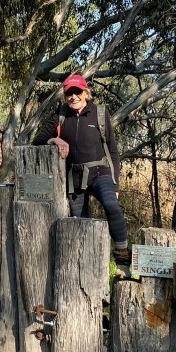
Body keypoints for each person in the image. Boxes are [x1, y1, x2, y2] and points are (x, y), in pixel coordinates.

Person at [33, 74, 130, 265]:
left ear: (86, 93)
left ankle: (122, 260)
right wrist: (54, 139)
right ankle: (85, 265)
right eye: (69, 92)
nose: (73, 96)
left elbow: (113, 151)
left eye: (77, 91)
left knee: (112, 206)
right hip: (74, 179)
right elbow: (37, 140)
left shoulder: (100, 114)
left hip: (100, 174)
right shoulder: (60, 116)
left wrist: (115, 185)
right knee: (79, 224)